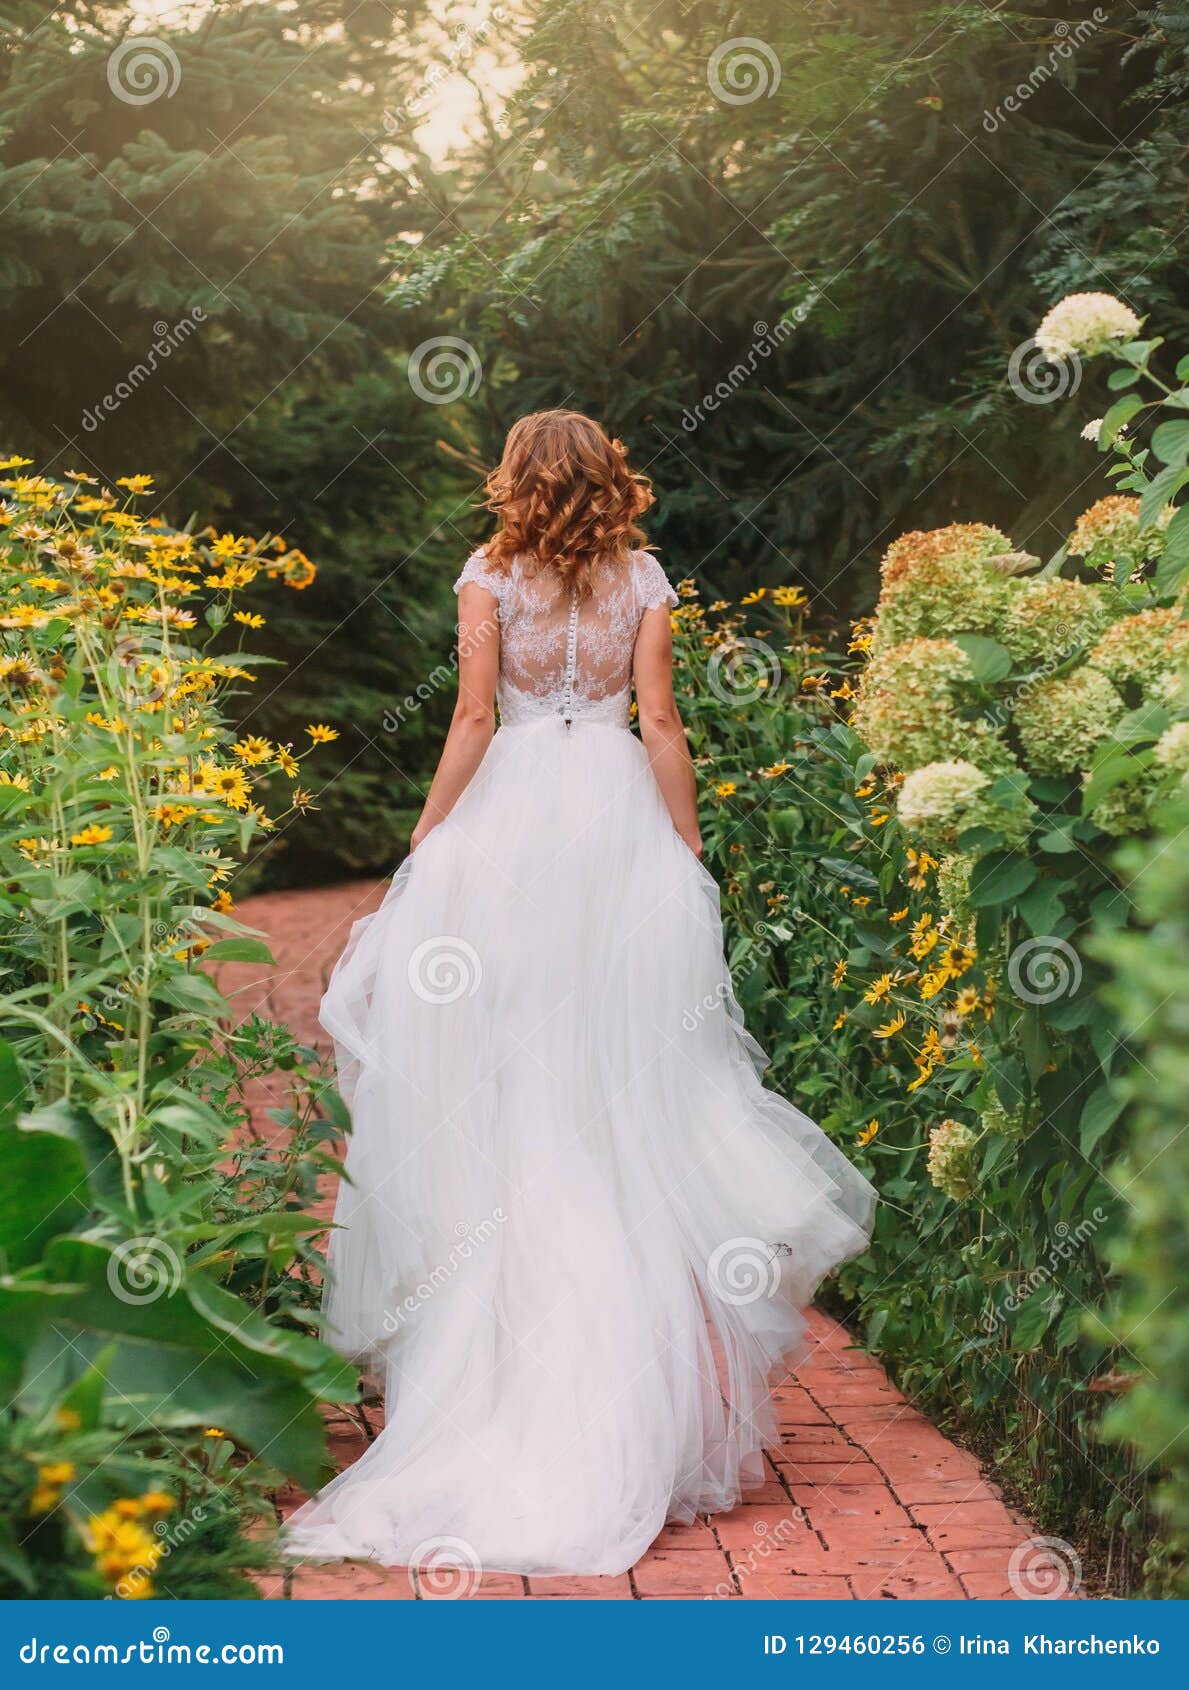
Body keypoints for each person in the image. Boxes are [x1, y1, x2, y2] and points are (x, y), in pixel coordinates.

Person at [283, 409, 874, 1577]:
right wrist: (686, 850)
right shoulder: (642, 576)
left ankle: (499, 1368)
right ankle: (621, 1409)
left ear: (513, 482)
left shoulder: (484, 575)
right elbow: (660, 721)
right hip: (612, 830)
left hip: (509, 832)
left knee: (509, 1099)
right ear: (608, 481)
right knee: (618, 1103)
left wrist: (421, 847)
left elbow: (468, 718)